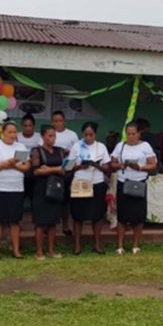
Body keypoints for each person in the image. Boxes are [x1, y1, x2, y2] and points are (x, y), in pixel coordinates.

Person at [0, 121, 30, 260]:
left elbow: (26, 166)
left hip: (16, 187)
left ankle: (15, 249)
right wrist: (6, 164)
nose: (12, 135)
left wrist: (14, 166)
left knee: (14, 221)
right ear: (2, 133)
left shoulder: (21, 146)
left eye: (14, 132)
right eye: (9, 132)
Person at [110, 121, 157, 255]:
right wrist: (121, 166)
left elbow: (153, 165)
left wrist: (140, 167)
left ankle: (135, 245)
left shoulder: (145, 146)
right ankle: (120, 246)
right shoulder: (120, 146)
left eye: (133, 134)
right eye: (128, 134)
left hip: (139, 182)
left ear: (139, 134)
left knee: (138, 215)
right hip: (123, 182)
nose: (130, 136)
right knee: (122, 216)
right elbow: (112, 164)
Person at [67, 122, 111, 255]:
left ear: (95, 134)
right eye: (85, 134)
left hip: (97, 183)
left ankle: (97, 245)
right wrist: (80, 166)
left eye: (91, 134)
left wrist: (94, 164)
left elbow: (107, 168)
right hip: (80, 183)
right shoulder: (76, 146)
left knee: (97, 216)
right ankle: (77, 246)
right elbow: (68, 166)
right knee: (78, 216)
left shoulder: (101, 147)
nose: (88, 137)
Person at [30, 125, 67, 259]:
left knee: (52, 222)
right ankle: (39, 251)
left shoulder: (60, 151)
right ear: (42, 136)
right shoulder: (37, 151)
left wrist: (49, 169)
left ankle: (51, 250)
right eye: (49, 136)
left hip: (56, 188)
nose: (52, 139)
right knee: (40, 222)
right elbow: (36, 170)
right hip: (41, 188)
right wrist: (55, 169)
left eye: (54, 136)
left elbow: (66, 168)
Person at [50, 110, 78, 235]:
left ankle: (66, 225)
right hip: (52, 170)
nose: (58, 123)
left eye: (60, 121)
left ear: (64, 121)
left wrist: (68, 154)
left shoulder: (72, 135)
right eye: (55, 121)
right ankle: (50, 226)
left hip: (68, 171)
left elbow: (77, 152)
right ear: (52, 122)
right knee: (51, 199)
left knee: (65, 201)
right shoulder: (49, 134)